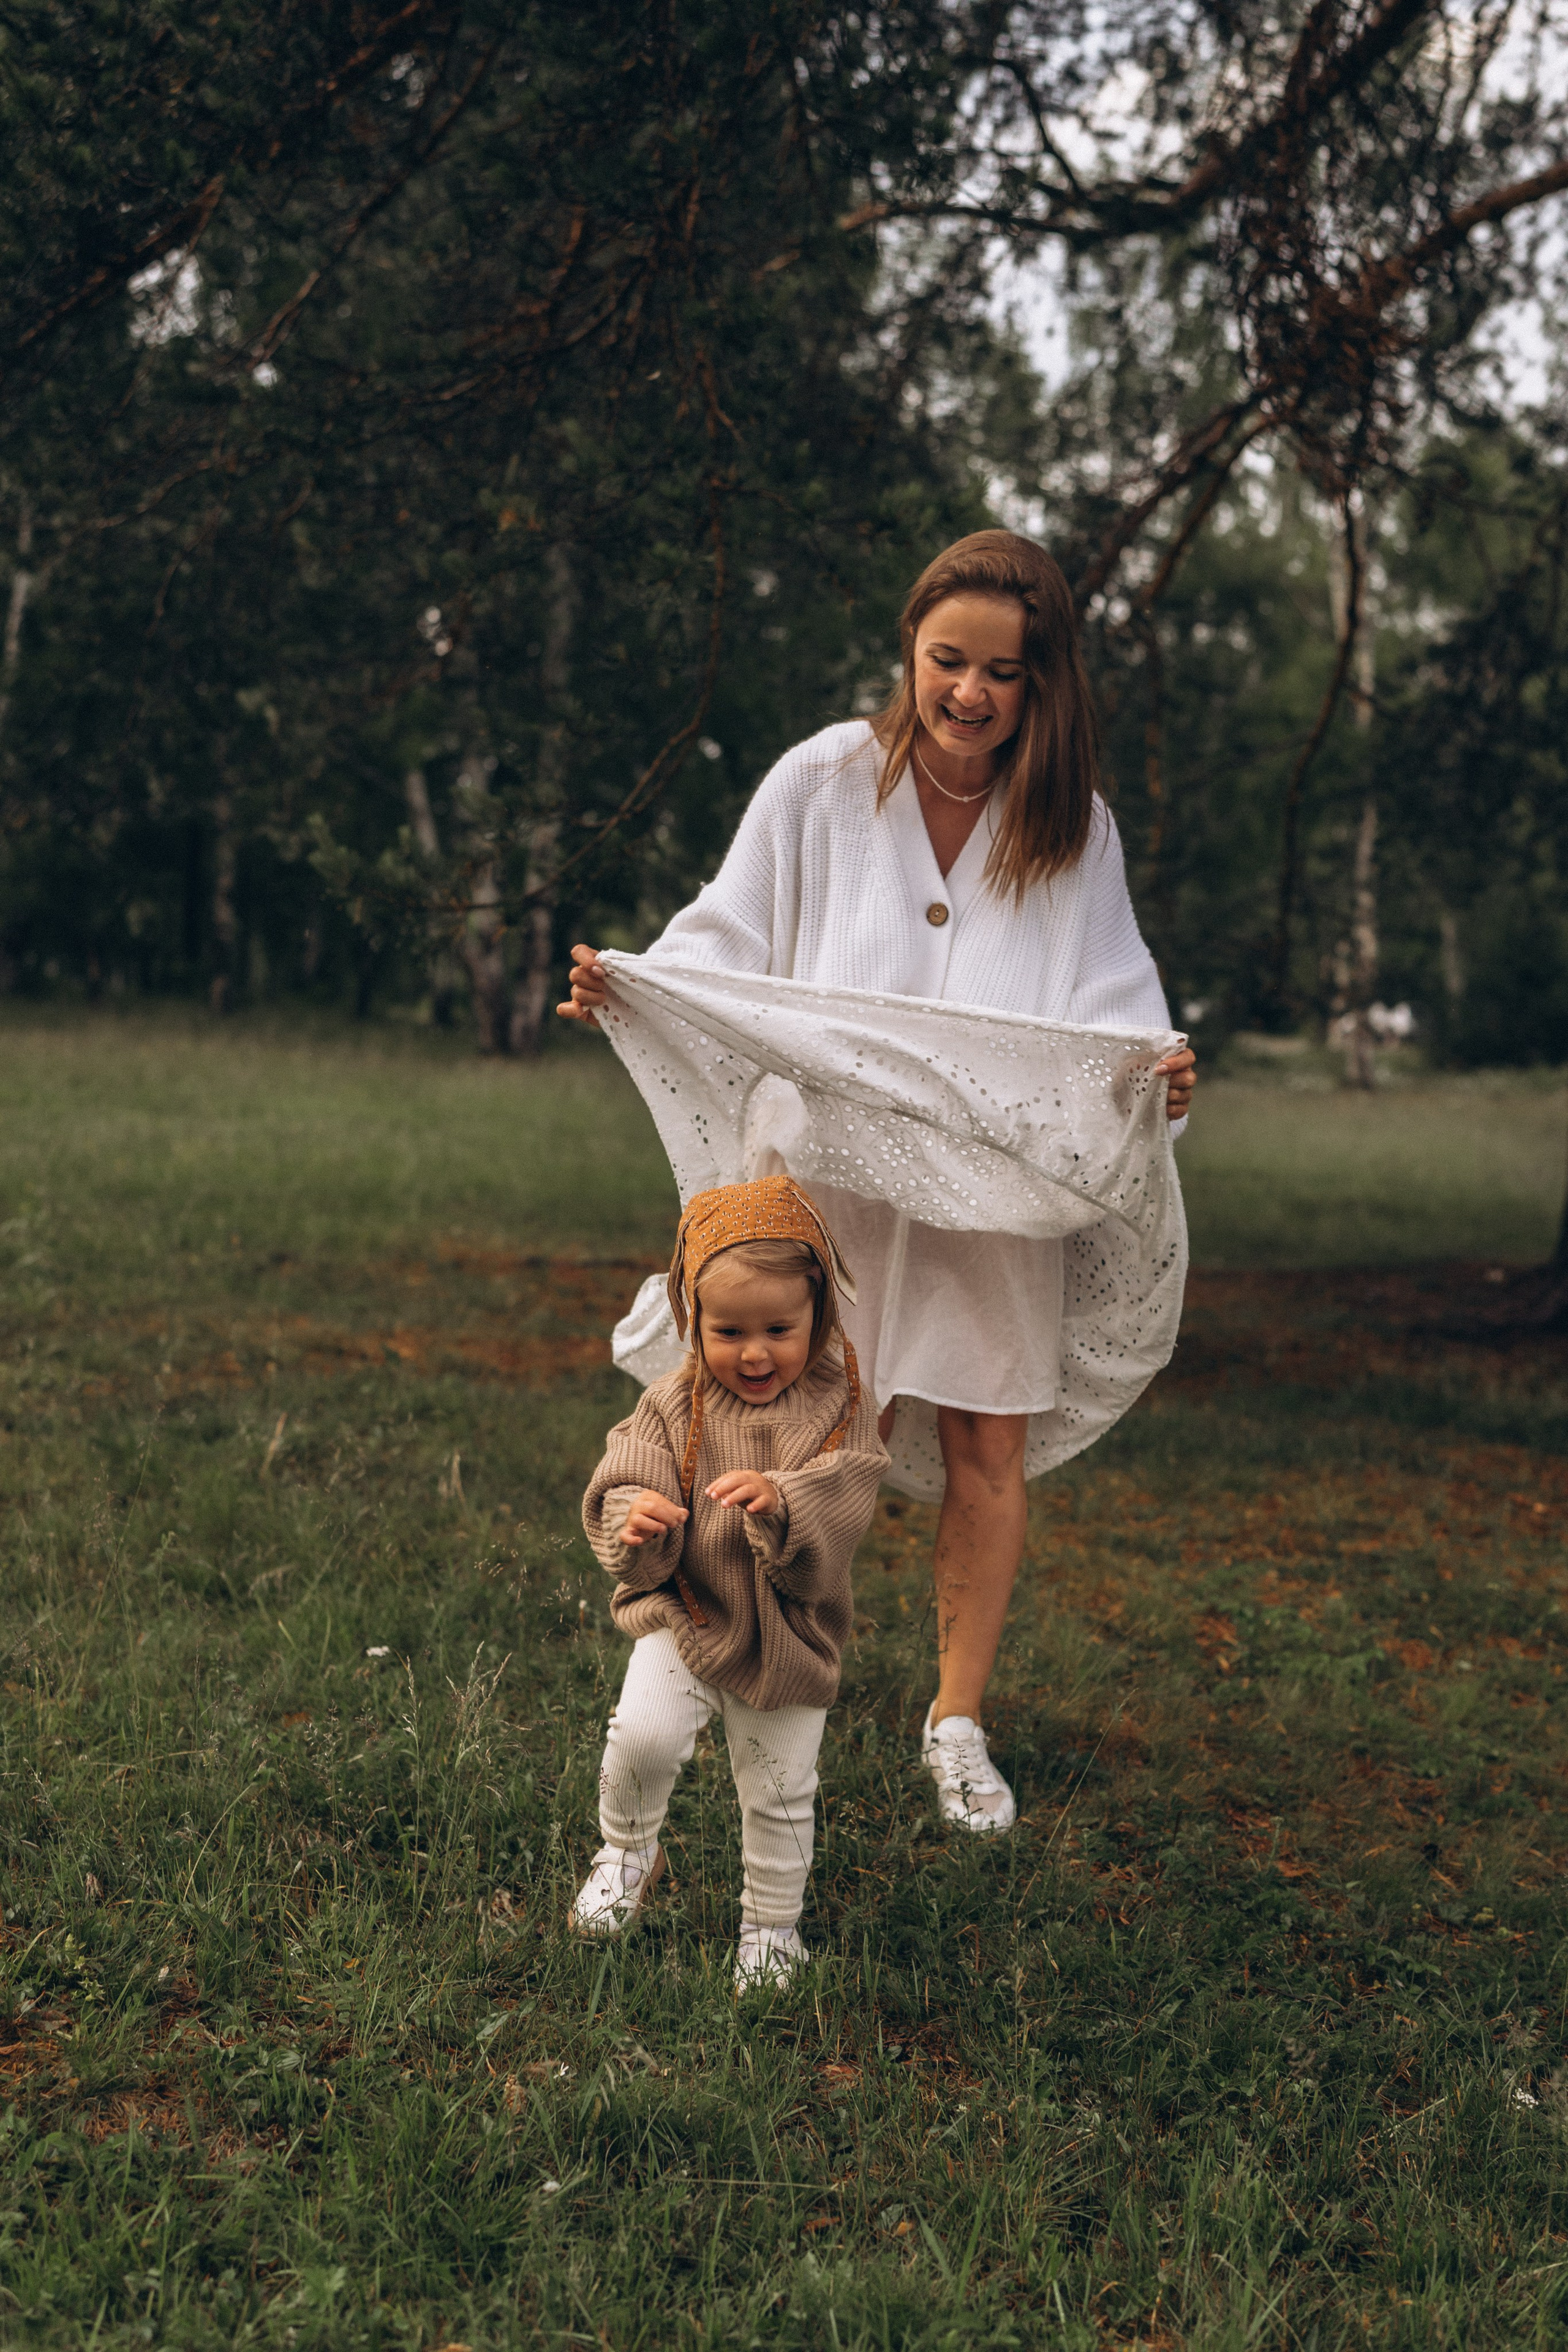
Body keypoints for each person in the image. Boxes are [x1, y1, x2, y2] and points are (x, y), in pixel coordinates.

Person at [562, 529, 1196, 1839]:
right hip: (833, 1182)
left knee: (983, 1446)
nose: (966, 693)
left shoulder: (1072, 829)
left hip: (991, 1196)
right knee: (798, 1430)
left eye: (1000, 674)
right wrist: (637, 985)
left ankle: (954, 1722)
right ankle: (758, 1672)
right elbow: (726, 938)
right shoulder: (823, 781)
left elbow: (1114, 1010)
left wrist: (1152, 1080)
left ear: (1041, 685)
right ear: (908, 650)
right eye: (944, 660)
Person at [575, 1175, 887, 1988]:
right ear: (692, 1321)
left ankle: (771, 1928)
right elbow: (623, 1478)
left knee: (782, 1789)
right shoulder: (675, 1402)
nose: (754, 1353)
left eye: (779, 1329)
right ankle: (626, 1851)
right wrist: (634, 1517)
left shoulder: (841, 1404)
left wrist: (785, 1500)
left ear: (819, 1315)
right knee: (640, 1739)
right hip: (690, 1612)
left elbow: (849, 1495)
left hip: (788, 1635)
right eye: (728, 1330)